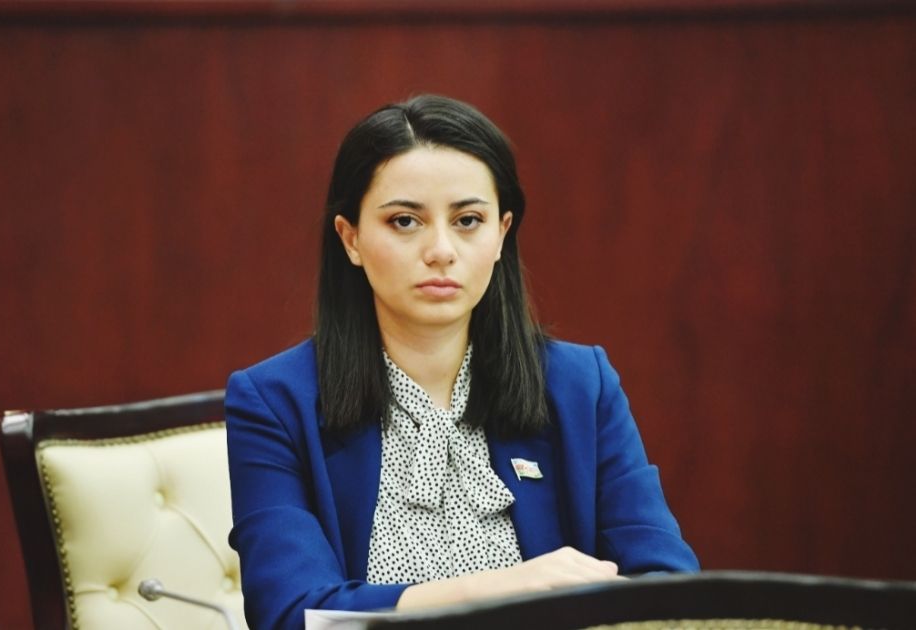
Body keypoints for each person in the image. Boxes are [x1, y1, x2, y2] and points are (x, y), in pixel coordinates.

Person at [225, 94, 699, 629]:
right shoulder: (273, 402)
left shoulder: (580, 386)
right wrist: (503, 590)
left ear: (501, 234)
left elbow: (671, 591)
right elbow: (292, 615)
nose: (441, 250)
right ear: (350, 237)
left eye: (468, 220)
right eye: (405, 221)